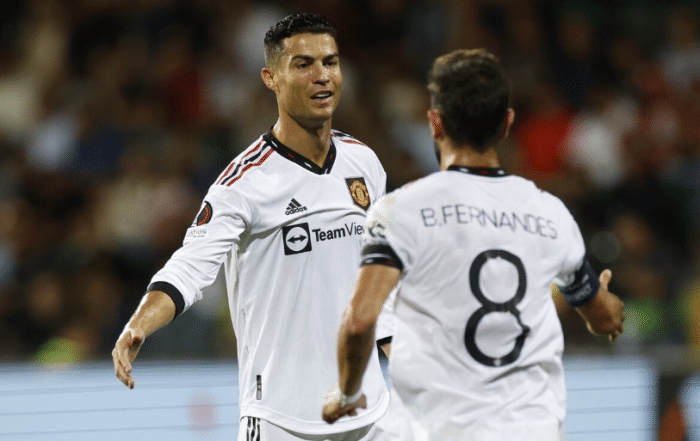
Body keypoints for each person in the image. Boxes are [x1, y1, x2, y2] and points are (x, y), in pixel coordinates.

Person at [112, 13, 393, 441]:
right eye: (303, 64)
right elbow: (188, 267)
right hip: (282, 419)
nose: (322, 76)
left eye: (330, 62)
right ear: (271, 78)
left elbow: (378, 276)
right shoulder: (243, 182)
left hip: (371, 415)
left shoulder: (364, 163)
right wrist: (139, 323)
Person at [322, 48, 625, 440]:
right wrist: (607, 303)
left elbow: (361, 319)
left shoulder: (400, 211)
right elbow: (604, 318)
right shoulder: (550, 214)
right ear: (507, 124)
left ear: (435, 123)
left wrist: (347, 394)